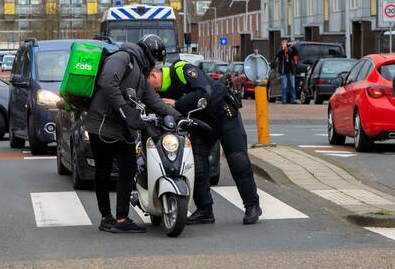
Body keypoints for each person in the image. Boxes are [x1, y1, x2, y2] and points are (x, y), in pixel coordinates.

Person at [84, 34, 180, 233]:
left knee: (128, 169)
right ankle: (106, 218)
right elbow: (108, 82)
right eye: (155, 59)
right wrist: (124, 110)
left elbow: (154, 102)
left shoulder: (140, 73)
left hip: (121, 127)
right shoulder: (123, 58)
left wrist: (180, 117)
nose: (155, 64)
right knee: (103, 170)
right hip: (102, 123)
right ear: (149, 54)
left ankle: (121, 217)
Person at [148, 60, 263, 225]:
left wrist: (177, 104)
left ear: (153, 74)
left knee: (237, 159)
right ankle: (204, 210)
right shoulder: (161, 92)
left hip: (222, 112)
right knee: (195, 163)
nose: (150, 89)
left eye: (148, 84)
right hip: (201, 123)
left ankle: (252, 205)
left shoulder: (181, 69)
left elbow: (204, 93)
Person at [273, 39, 298, 104]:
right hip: (284, 72)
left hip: (291, 71)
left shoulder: (290, 50)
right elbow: (277, 54)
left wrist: (293, 46)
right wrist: (282, 48)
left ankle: (293, 100)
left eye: (285, 43)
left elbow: (296, 52)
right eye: (283, 44)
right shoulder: (281, 51)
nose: (284, 45)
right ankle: (284, 100)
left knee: (292, 86)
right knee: (284, 86)